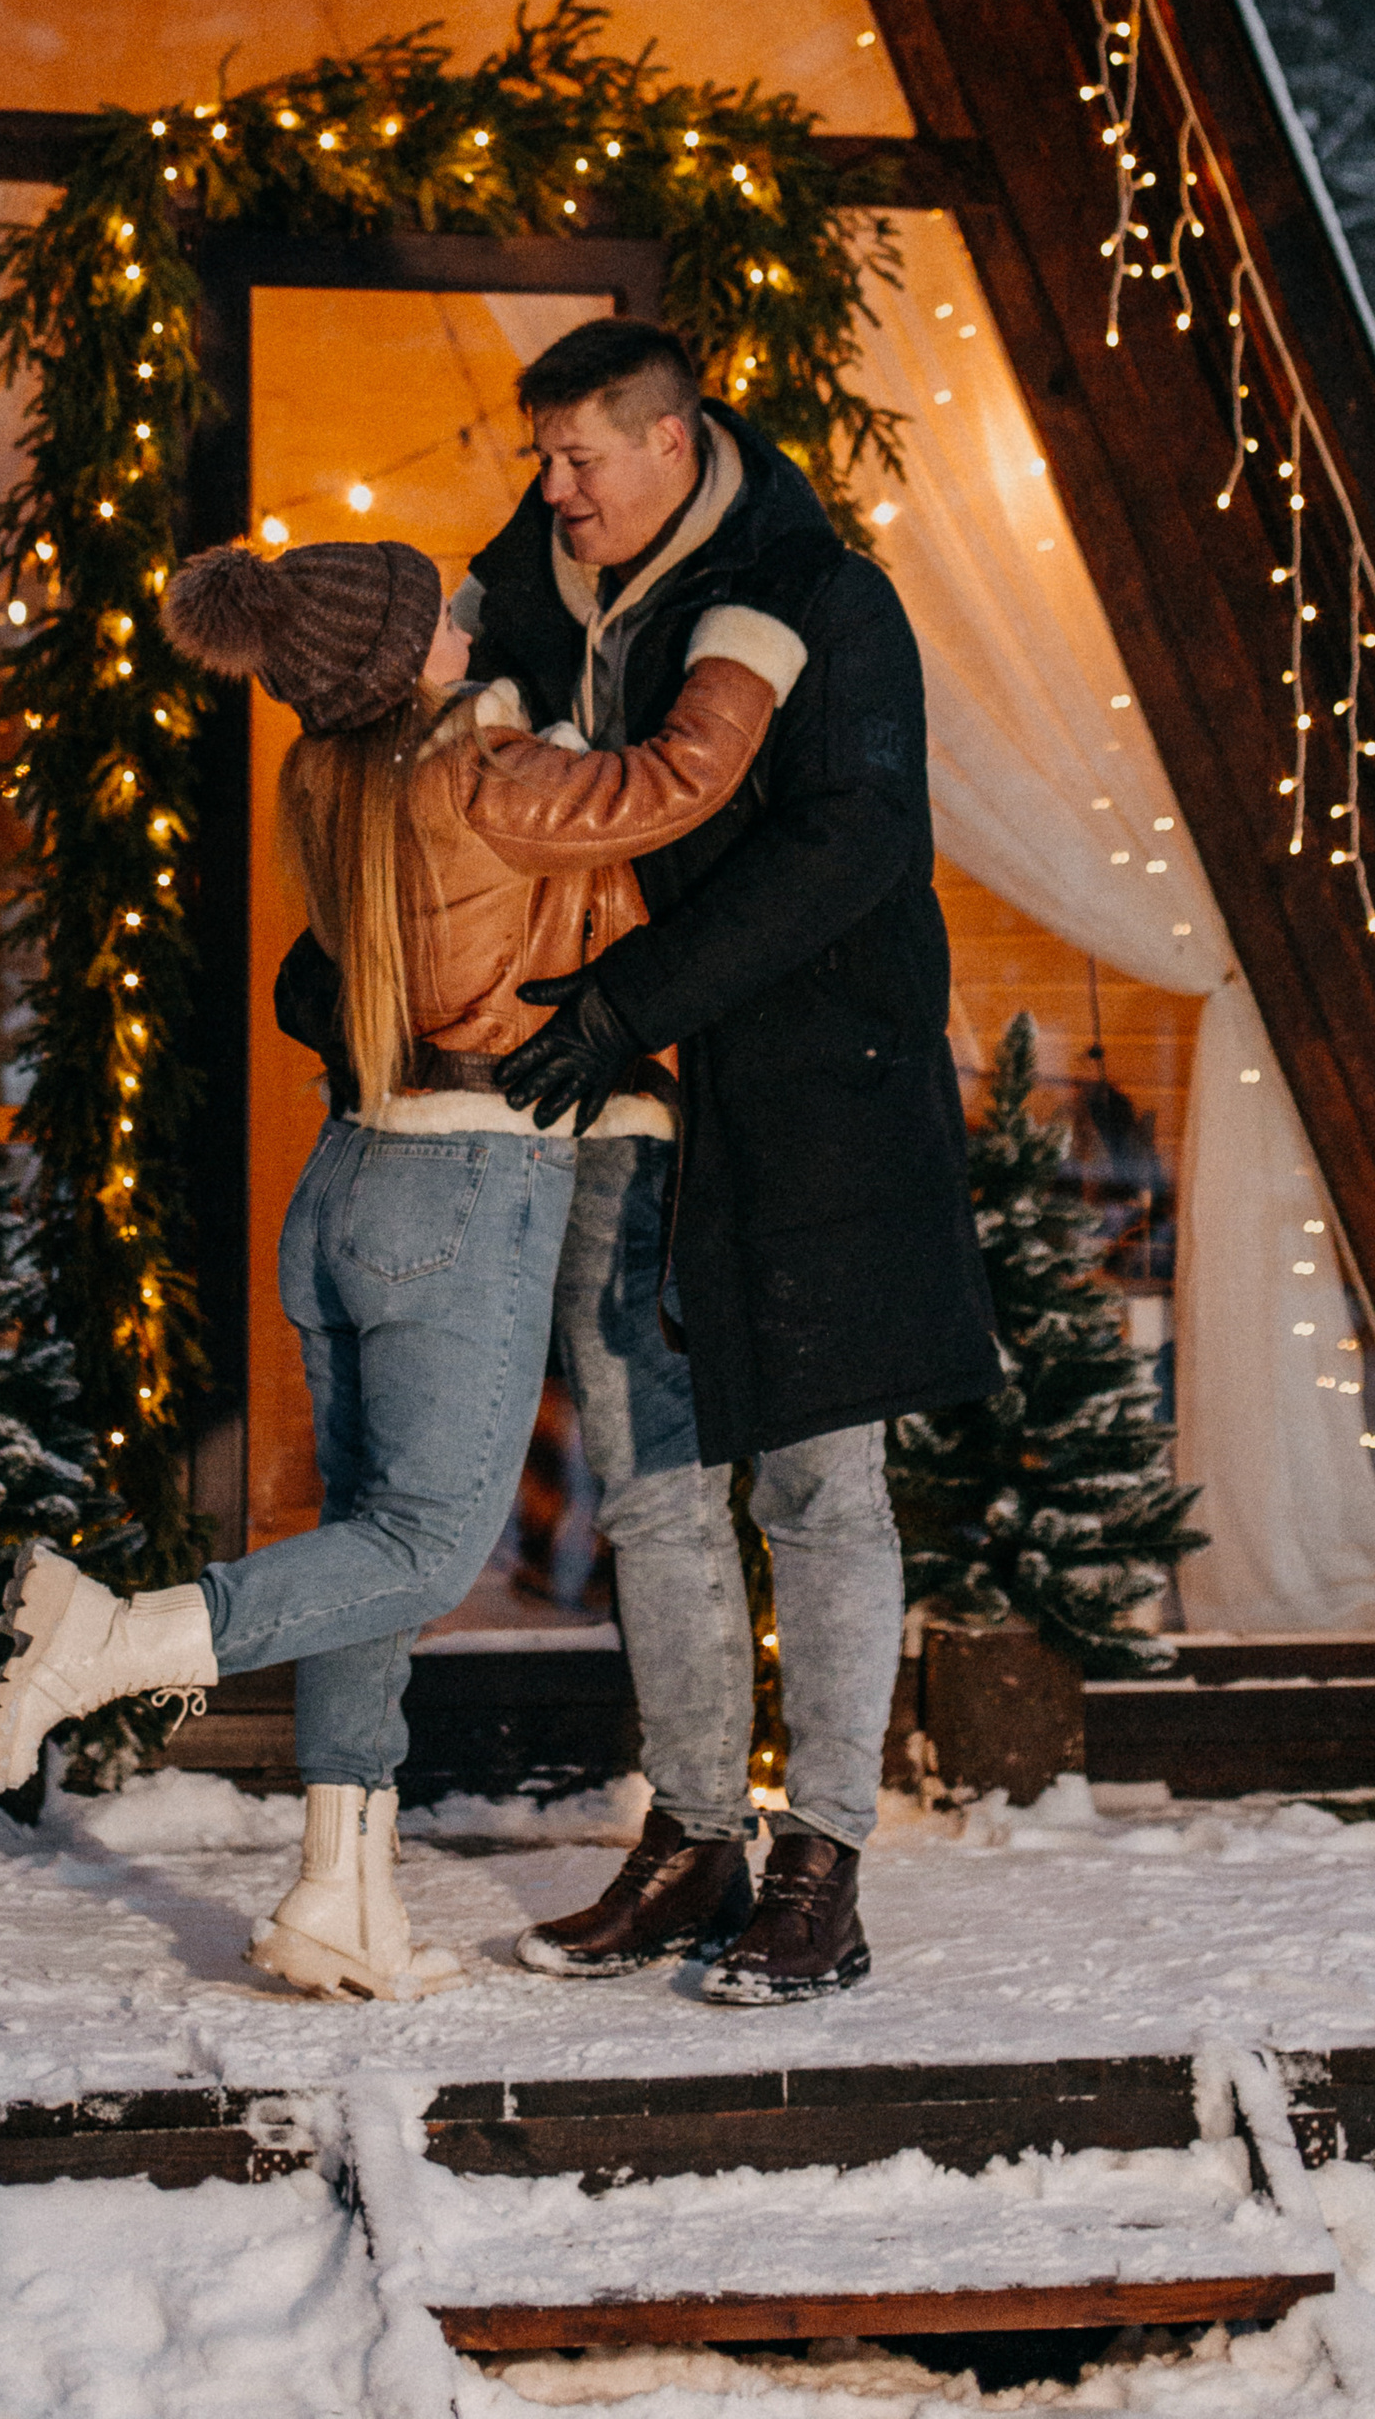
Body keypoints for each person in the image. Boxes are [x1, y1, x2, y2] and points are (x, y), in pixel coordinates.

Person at [0, 530, 803, 2001]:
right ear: (404, 657)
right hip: (466, 1181)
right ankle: (111, 1636)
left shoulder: (336, 780)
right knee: (423, 1548)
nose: (467, 621)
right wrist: (746, 656)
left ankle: (337, 1900)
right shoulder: (479, 776)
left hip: (353, 1173)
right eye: (439, 615)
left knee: (367, 1546)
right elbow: (671, 785)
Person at [461, 319, 997, 2006]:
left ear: (672, 441)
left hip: (812, 1094)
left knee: (821, 1488)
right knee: (652, 1487)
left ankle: (821, 1864)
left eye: (581, 458)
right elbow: (450, 792)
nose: (555, 488)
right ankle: (694, 1843)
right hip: (621, 1104)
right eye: (542, 458)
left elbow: (855, 844)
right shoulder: (529, 601)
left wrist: (631, 1001)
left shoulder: (823, 599)